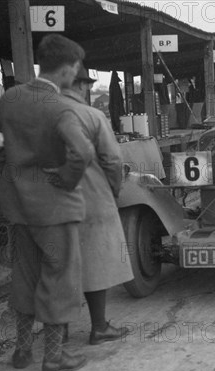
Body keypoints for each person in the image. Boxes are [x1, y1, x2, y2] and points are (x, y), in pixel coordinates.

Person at [0, 34, 92, 371]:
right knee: (58, 279)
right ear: (67, 69)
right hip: (54, 210)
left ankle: (22, 351)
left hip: (18, 206)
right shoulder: (60, 107)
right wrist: (64, 177)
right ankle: (53, 358)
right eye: (75, 69)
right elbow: (82, 152)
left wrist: (13, 175)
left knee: (24, 276)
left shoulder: (8, 99)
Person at [61, 65, 134, 345]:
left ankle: (61, 333)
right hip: (91, 196)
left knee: (61, 265)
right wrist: (114, 189)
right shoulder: (91, 115)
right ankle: (99, 327)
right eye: (87, 86)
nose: (89, 90)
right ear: (80, 85)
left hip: (53, 202)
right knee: (97, 262)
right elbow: (113, 160)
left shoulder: (44, 113)